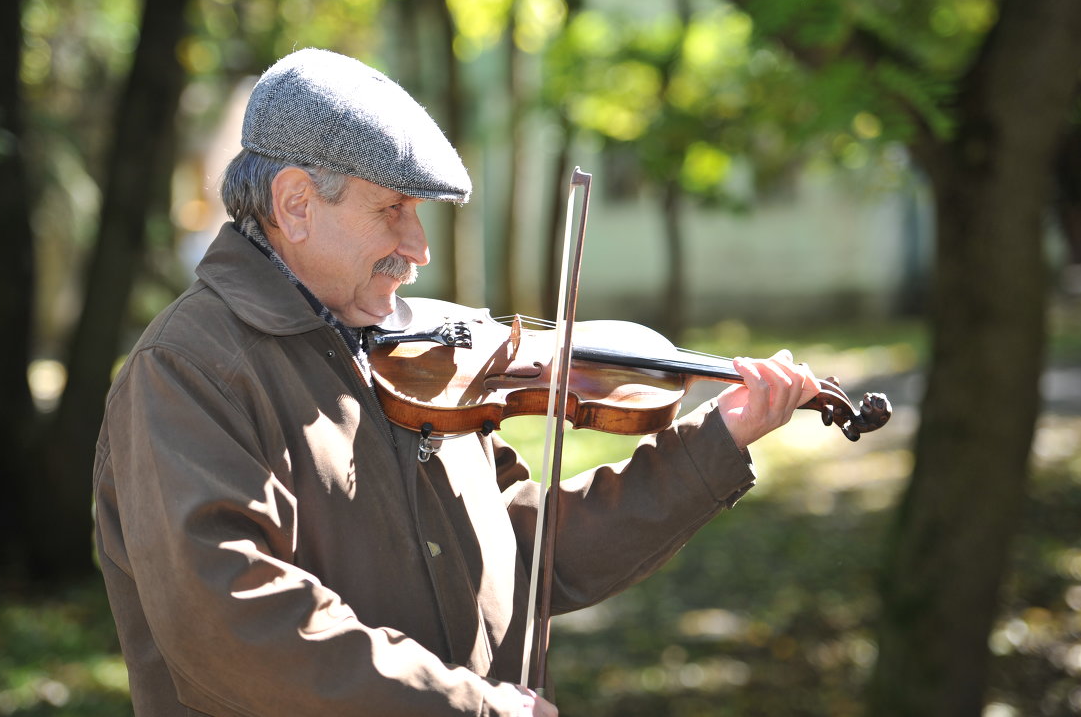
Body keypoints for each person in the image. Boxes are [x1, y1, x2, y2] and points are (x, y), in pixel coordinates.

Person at [93, 48, 820, 717]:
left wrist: (715, 442)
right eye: (393, 210)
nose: (418, 248)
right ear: (295, 204)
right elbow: (233, 624)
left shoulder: (412, 355)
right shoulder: (188, 372)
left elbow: (524, 557)